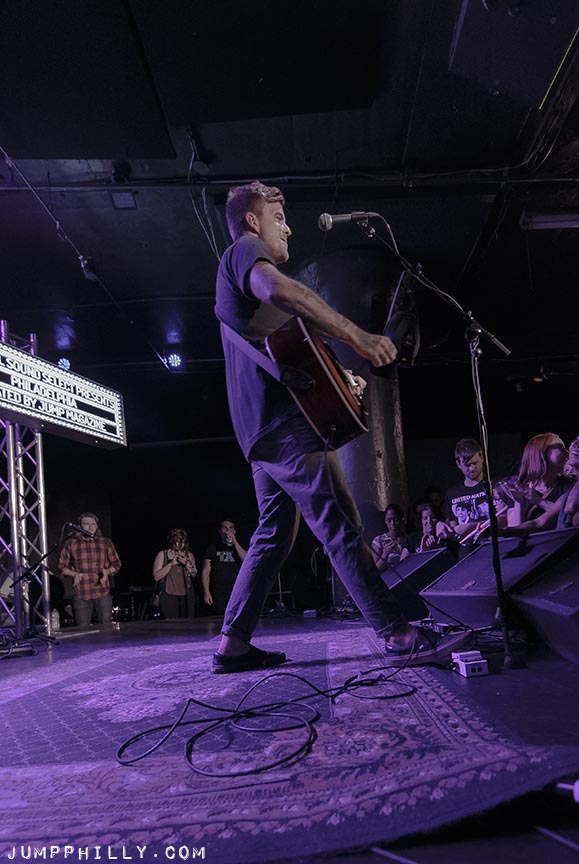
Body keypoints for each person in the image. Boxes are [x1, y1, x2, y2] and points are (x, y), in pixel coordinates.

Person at [212, 180, 471, 673]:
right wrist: (358, 336)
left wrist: (339, 375)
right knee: (341, 522)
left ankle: (233, 643)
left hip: (261, 433)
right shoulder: (244, 251)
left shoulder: (252, 304)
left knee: (273, 535)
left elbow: (286, 348)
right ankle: (397, 633)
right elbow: (279, 288)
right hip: (287, 428)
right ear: (252, 221)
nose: (288, 228)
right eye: (278, 218)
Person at [58, 512, 121, 628]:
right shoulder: (71, 543)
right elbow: (61, 566)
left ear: (97, 526)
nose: (90, 527)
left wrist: (107, 571)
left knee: (106, 627)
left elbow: (117, 563)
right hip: (81, 593)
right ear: (79, 526)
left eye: (93, 524)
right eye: (86, 524)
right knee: (83, 629)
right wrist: (74, 574)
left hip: (102, 591)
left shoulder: (105, 542)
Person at [506, 433, 572, 526]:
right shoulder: (520, 488)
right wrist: (519, 503)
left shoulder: (569, 484)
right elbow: (514, 528)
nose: (567, 453)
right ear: (541, 453)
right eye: (560, 448)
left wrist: (539, 501)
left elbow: (569, 516)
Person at [444, 439, 490, 539]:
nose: (472, 469)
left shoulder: (493, 486)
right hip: (466, 546)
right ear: (458, 464)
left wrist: (471, 526)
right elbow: (453, 526)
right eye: (467, 465)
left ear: (482, 458)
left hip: (490, 543)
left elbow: (503, 518)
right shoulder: (452, 493)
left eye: (475, 463)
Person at [201, 519, 247, 615]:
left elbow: (245, 560)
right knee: (219, 616)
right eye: (224, 528)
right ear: (220, 531)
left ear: (234, 531)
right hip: (218, 591)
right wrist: (206, 591)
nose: (227, 530)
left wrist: (234, 541)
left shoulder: (239, 547)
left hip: (236, 590)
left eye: (230, 528)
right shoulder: (213, 548)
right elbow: (206, 571)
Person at [152, 528, 197, 619]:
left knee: (187, 621)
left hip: (186, 595)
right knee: (171, 622)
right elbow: (156, 576)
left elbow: (194, 574)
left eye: (182, 542)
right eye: (176, 541)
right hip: (168, 594)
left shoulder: (189, 555)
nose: (178, 544)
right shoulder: (163, 554)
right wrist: (171, 564)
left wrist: (186, 564)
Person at [371, 504, 414, 572]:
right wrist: (385, 554)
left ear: (403, 519)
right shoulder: (379, 540)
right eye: (389, 520)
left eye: (396, 519)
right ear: (385, 521)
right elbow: (375, 570)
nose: (392, 524)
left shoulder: (410, 539)